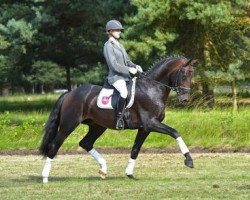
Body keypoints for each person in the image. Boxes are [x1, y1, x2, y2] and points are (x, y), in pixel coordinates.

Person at [103, 19, 143, 130]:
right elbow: (113, 65)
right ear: (110, 31)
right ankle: (119, 118)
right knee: (124, 92)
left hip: (125, 77)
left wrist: (135, 66)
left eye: (120, 30)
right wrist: (129, 70)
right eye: (117, 30)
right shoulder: (108, 46)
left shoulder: (119, 45)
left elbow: (127, 61)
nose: (119, 32)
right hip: (115, 77)